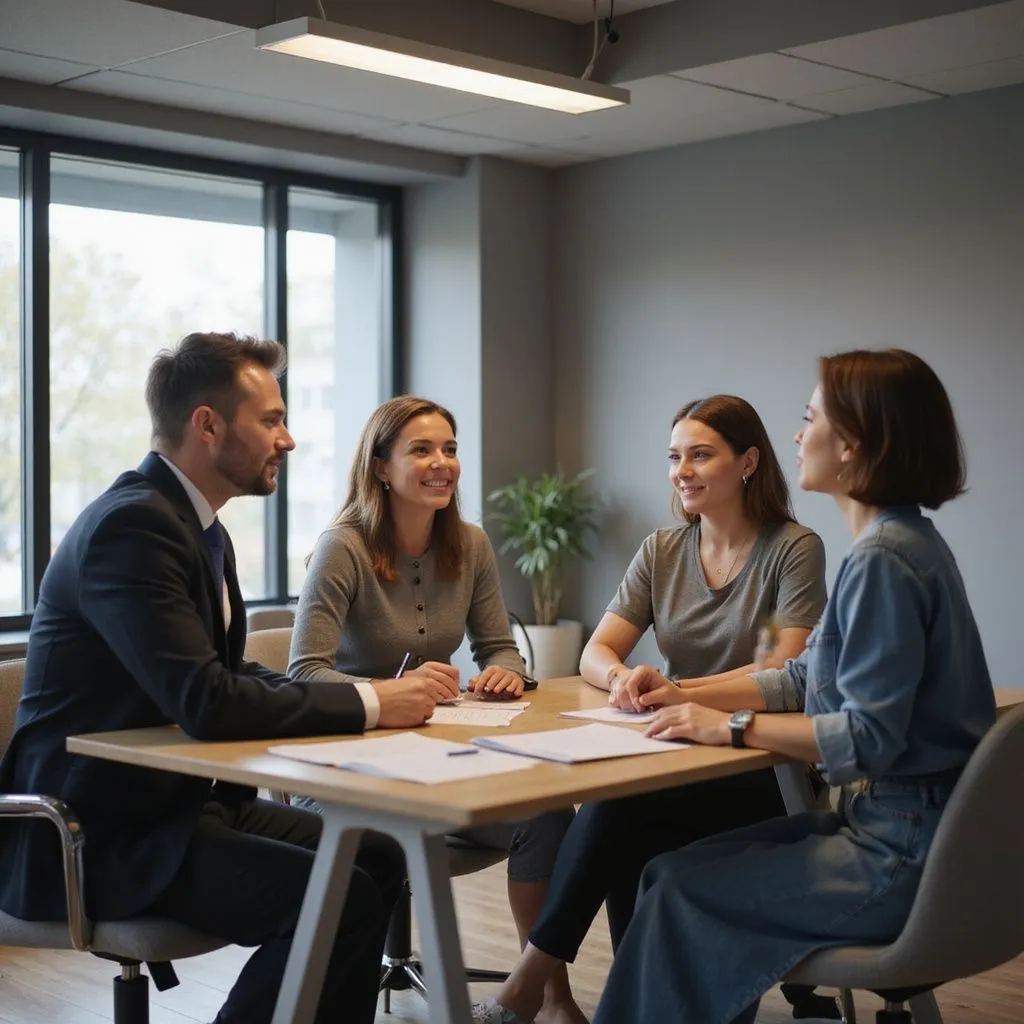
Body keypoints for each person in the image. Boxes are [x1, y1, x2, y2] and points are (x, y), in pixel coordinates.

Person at [0, 332, 436, 1024]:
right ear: (207, 425)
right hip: (96, 833)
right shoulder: (132, 528)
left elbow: (228, 673)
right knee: (338, 898)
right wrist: (371, 701)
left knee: (376, 857)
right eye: (270, 420)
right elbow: (206, 701)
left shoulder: (199, 528)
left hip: (172, 808)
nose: (287, 439)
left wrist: (365, 700)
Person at [592, 349, 997, 1024]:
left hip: (900, 853)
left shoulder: (882, 562)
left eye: (810, 419)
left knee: (677, 896)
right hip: (912, 832)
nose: (798, 435)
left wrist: (729, 728)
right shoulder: (904, 543)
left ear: (857, 445)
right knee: (664, 873)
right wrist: (689, 697)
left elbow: (865, 737)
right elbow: (808, 677)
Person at [473, 395, 827, 1024]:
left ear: (747, 463)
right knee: (623, 800)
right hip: (676, 746)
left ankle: (531, 986)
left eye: (699, 455)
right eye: (673, 457)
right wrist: (622, 679)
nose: (681, 470)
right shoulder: (663, 550)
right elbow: (597, 649)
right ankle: (607, 998)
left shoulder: (792, 549)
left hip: (760, 762)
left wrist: (683, 691)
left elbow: (779, 673)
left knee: (621, 804)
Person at [288, 394, 577, 1024]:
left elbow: (500, 646)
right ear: (381, 467)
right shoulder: (343, 548)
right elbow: (303, 675)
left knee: (551, 812)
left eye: (449, 448)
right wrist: (390, 693)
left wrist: (504, 671)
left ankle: (549, 998)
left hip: (439, 764)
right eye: (421, 449)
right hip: (344, 776)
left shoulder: (468, 545)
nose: (442, 462)